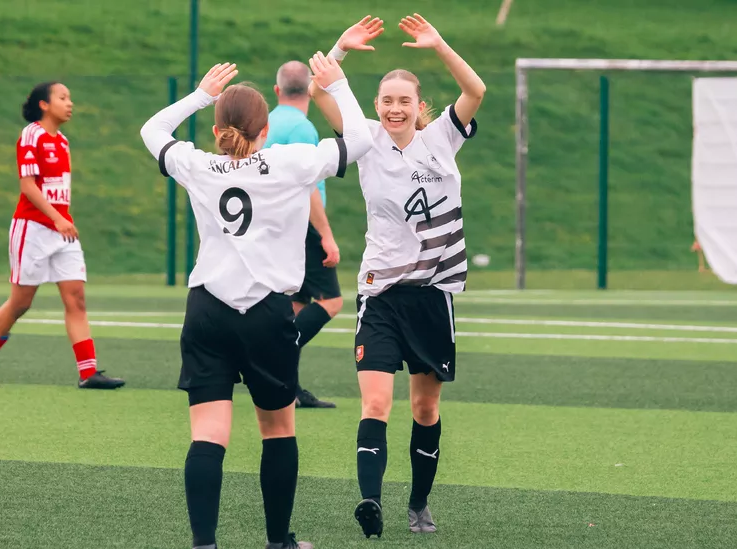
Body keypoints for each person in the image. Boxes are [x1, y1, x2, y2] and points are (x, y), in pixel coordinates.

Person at [140, 55, 373, 549]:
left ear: (218, 128)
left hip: (207, 310)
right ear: (265, 129)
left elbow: (153, 129)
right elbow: (363, 139)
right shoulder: (292, 161)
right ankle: (277, 542)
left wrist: (201, 94)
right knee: (278, 429)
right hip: (267, 313)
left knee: (208, 434)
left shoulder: (198, 164)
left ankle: (204, 544)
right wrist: (340, 83)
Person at [310, 14, 486, 538]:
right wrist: (340, 46)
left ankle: (418, 503)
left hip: (433, 295)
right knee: (376, 403)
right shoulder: (362, 138)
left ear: (418, 106)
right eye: (386, 100)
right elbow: (322, 88)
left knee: (425, 407)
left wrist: (439, 45)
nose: (393, 108)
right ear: (377, 106)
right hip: (380, 294)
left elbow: (475, 89)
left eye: (403, 100)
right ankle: (369, 503)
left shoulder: (442, 139)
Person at [0, 81, 125, 390]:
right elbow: (28, 186)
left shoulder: (63, 141)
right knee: (20, 303)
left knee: (76, 299)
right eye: (63, 97)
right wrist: (56, 218)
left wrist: (62, 220)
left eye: (70, 98)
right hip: (33, 230)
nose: (70, 103)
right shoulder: (31, 135)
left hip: (63, 231)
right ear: (44, 104)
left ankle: (88, 372)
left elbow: (58, 191)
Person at [264, 60, 344, 409]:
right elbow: (307, 184)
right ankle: (271, 357)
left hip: (273, 224)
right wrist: (325, 233)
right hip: (302, 224)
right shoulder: (303, 128)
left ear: (277, 90)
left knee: (296, 304)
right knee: (332, 301)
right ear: (311, 89)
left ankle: (288, 388)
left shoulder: (264, 122)